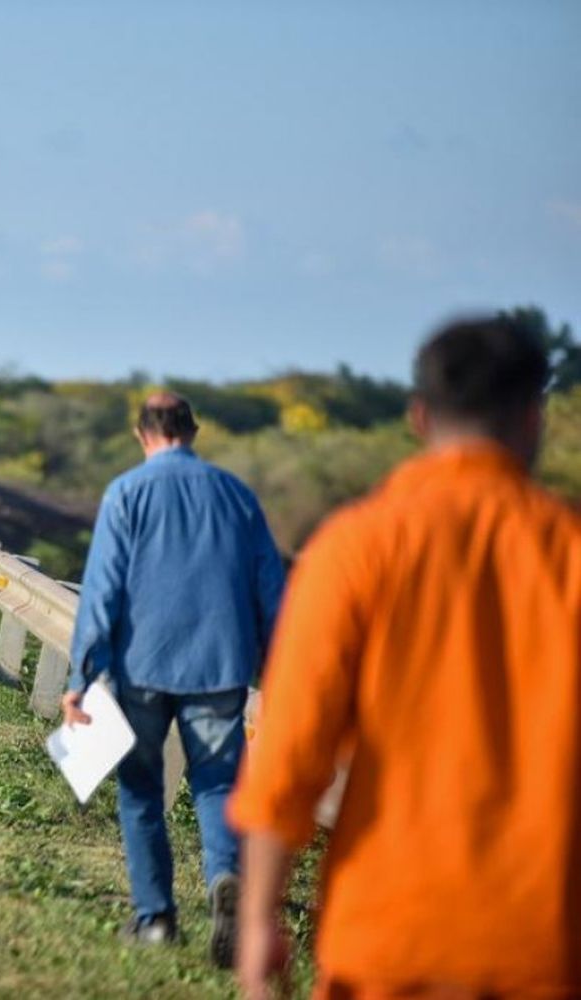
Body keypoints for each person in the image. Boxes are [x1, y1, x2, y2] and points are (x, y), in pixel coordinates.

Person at [229, 317, 581, 999]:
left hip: (388, 942)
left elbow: (289, 753)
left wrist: (259, 918)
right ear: (533, 418)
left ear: (419, 416)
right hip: (546, 948)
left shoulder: (356, 549)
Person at [62, 391, 285, 969]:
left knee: (141, 789)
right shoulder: (237, 496)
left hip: (142, 667)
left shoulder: (126, 493)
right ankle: (226, 877)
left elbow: (103, 588)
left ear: (143, 435)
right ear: (194, 431)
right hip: (219, 666)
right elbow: (272, 590)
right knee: (217, 784)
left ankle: (156, 918)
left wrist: (83, 673)